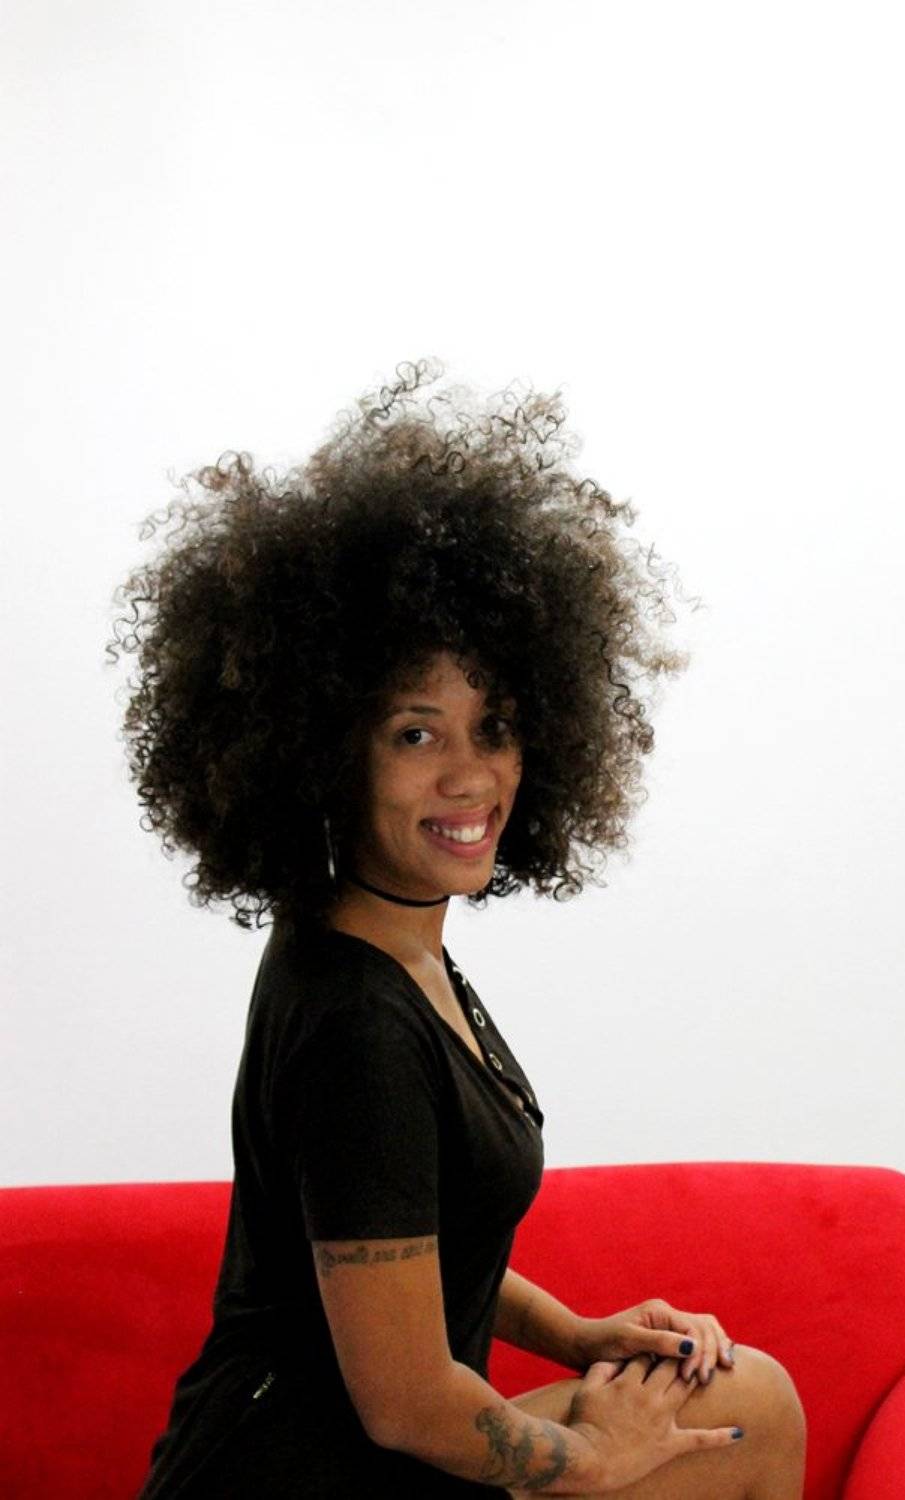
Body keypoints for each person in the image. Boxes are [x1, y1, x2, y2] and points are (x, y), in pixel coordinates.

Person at [109, 358, 807, 1496]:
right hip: (303, 1476)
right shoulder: (357, 1023)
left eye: (496, 726)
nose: (471, 776)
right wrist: (591, 1456)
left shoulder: (390, 946)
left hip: (345, 1454)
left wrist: (577, 1335)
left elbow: (397, 1253)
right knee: (748, 1414)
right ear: (324, 751)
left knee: (749, 1405)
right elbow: (406, 1400)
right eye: (416, 734)